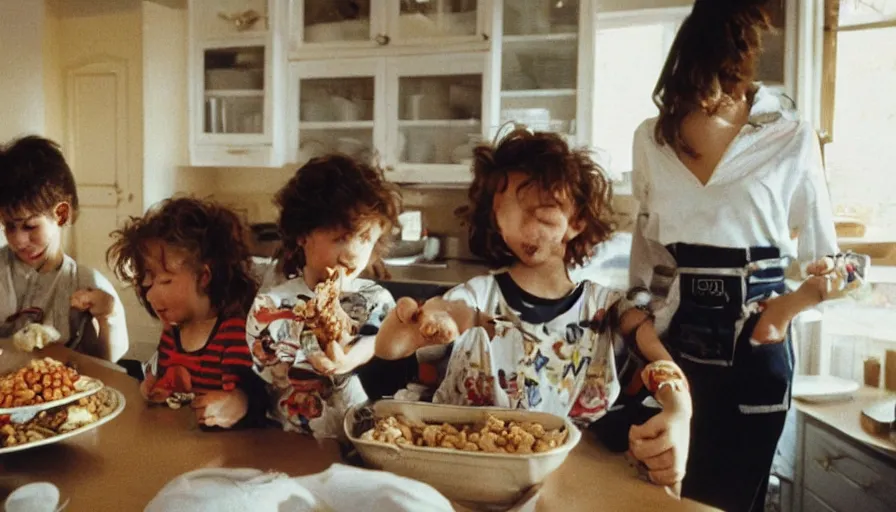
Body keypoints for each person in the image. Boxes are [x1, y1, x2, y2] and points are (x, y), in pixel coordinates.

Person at [629, 1, 867, 509]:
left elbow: (834, 261)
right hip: (674, 352)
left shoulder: (791, 134)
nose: (706, 95)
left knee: (736, 499)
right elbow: (647, 262)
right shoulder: (651, 139)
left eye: (719, 75)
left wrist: (785, 310)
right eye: (692, 79)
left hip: (756, 351)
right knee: (663, 497)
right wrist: (635, 330)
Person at [375, 129, 693, 489]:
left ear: (577, 222)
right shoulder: (479, 299)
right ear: (495, 218)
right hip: (468, 481)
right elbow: (406, 339)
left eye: (543, 214)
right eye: (509, 212)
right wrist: (414, 325)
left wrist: (680, 411)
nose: (526, 228)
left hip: (570, 483)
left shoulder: (607, 310)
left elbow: (656, 359)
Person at [245, 155, 400, 438]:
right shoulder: (272, 305)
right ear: (303, 234)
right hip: (287, 441)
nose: (353, 252)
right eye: (341, 237)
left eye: (364, 239)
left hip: (357, 440)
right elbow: (263, 373)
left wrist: (349, 359)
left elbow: (377, 340)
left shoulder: (374, 299)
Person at [107, 197, 261, 429]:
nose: (150, 296)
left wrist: (237, 402)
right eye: (148, 283)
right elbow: (170, 386)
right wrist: (154, 387)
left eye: (165, 281)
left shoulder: (235, 333)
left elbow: (253, 399)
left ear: (204, 277)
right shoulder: (172, 332)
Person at [0, 135, 128, 361]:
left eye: (29, 226)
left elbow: (105, 365)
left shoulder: (86, 283)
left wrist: (107, 317)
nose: (18, 240)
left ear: (61, 214)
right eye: (9, 226)